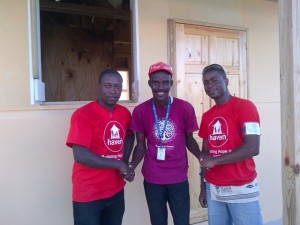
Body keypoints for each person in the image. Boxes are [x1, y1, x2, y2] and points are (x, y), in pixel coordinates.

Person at [129, 62, 202, 225]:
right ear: (149, 84)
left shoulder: (185, 108)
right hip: (153, 178)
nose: (160, 87)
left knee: (182, 221)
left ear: (171, 83)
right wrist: (131, 166)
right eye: (156, 82)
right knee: (158, 221)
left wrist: (201, 157)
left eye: (165, 82)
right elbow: (140, 145)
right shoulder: (140, 111)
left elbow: (190, 139)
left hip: (178, 177)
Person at [66, 68, 135, 225]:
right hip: (89, 193)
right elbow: (80, 155)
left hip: (115, 190)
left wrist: (125, 163)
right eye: (108, 86)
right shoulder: (83, 114)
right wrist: (119, 164)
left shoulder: (124, 113)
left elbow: (129, 136)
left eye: (117, 86)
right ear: (98, 87)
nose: (113, 91)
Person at [198, 64, 263, 225]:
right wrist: (203, 187)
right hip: (214, 188)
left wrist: (215, 160)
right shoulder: (207, 116)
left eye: (214, 80)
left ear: (226, 81)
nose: (210, 85)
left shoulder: (245, 107)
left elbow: (253, 147)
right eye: (206, 82)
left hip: (241, 186)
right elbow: (205, 155)